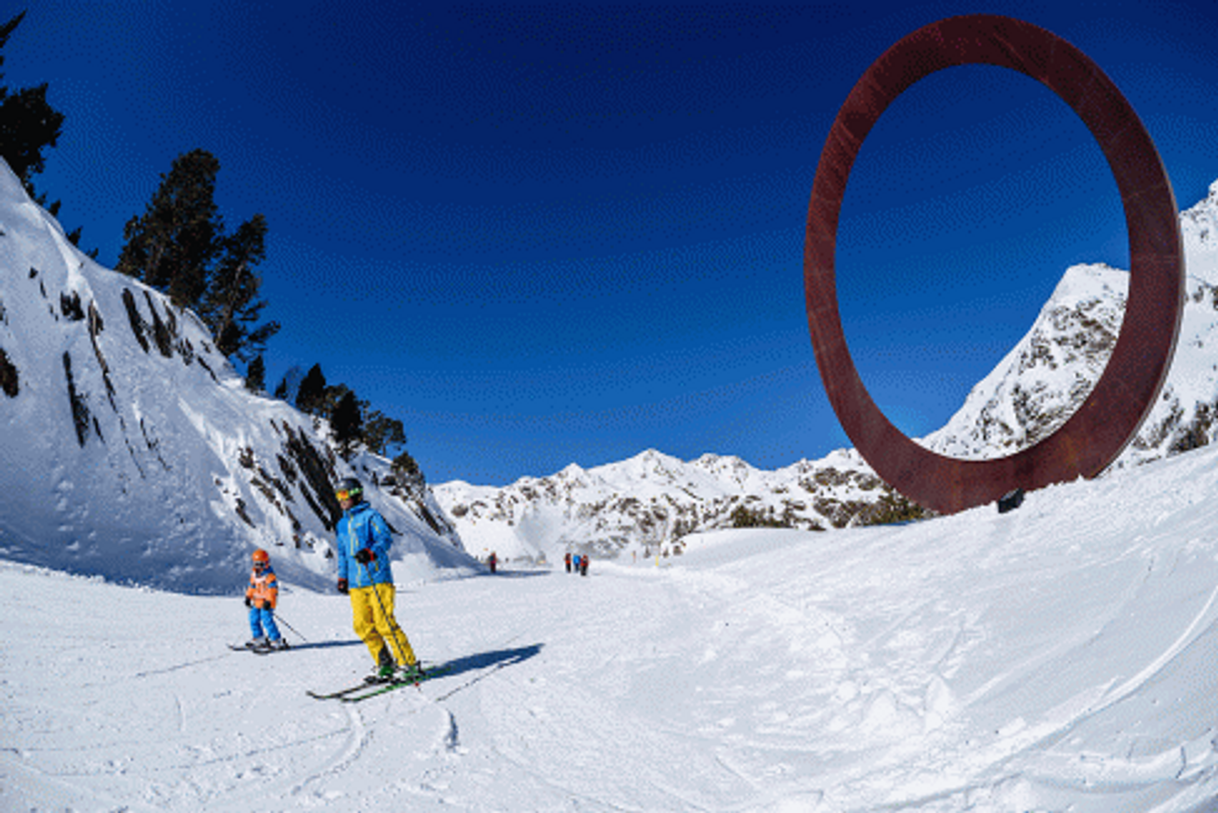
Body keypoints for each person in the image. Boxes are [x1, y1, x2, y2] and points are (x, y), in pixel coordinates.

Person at [334, 476, 423, 682]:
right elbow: (342, 552)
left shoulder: (371, 516)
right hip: (356, 583)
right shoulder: (341, 524)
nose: (341, 499)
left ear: (356, 494)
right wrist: (342, 576)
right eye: (338, 495)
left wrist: (371, 552)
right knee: (362, 625)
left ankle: (407, 663)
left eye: (344, 494)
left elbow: (385, 538)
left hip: (376, 577)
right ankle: (385, 663)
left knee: (384, 623)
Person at [244, 548, 288, 650]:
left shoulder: (269, 576)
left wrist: (269, 602)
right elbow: (251, 587)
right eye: (256, 564)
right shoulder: (254, 575)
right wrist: (248, 597)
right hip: (257, 601)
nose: (258, 567)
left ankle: (276, 640)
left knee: (267, 620)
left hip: (267, 603)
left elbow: (272, 591)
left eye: (261, 564)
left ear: (266, 563)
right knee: (253, 619)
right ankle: (259, 637)